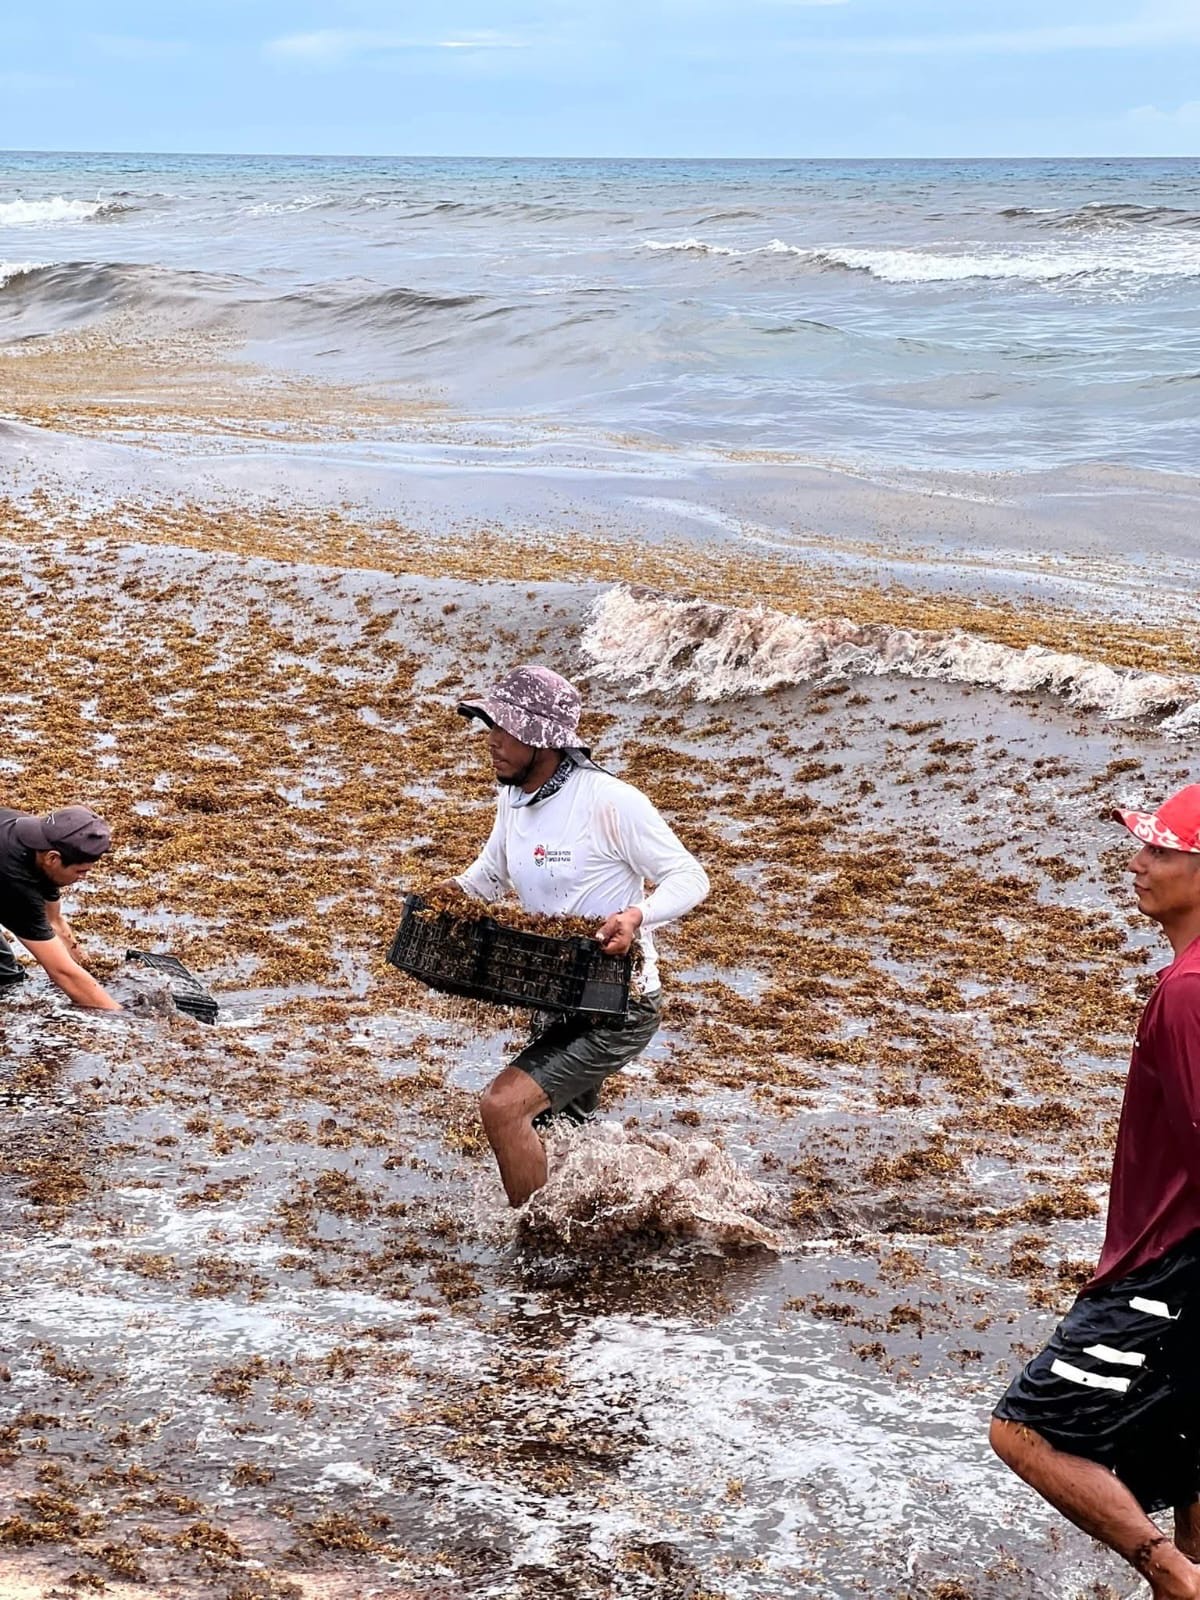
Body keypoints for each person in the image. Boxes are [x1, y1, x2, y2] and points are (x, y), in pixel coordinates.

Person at [991, 783, 1200, 1600]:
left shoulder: (1187, 993)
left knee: (1027, 1430)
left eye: (1160, 850)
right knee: (1186, 1459)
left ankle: (1173, 1577)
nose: (1137, 863)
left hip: (1172, 1261)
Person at [444, 664, 709, 1206]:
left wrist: (636, 917)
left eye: (505, 728)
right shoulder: (513, 799)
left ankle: (533, 1239)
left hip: (619, 1006)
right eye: (489, 726)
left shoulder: (609, 801)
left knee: (503, 1108)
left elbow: (690, 877)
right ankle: (597, 1218)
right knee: (559, 1138)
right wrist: (440, 900)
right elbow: (488, 877)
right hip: (558, 997)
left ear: (543, 739)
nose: (492, 740)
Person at [0, 805, 122, 1011]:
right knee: (4, 976)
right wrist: (122, 1016)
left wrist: (89, 969)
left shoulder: (40, 842)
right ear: (53, 859)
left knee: (6, 977)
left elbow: (54, 921)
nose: (83, 878)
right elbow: (62, 973)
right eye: (80, 871)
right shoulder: (15, 883)